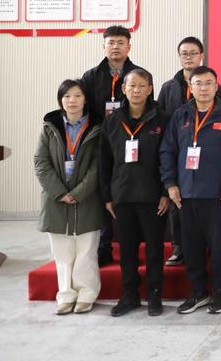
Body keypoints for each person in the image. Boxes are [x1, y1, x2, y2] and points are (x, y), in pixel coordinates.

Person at [159, 66, 221, 315]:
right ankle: (197, 292)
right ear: (191, 87)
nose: (204, 88)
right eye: (198, 83)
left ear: (216, 87)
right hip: (185, 193)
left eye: (208, 83)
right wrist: (170, 184)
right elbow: (167, 150)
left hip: (218, 195)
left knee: (218, 248)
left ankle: (218, 293)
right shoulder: (180, 115)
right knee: (191, 247)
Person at [100, 68, 170, 317]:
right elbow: (104, 161)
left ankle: (154, 294)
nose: (136, 90)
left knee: (154, 249)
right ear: (124, 89)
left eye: (142, 86)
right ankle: (129, 295)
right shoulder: (112, 120)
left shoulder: (162, 118)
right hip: (122, 194)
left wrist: (165, 192)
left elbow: (168, 158)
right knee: (127, 249)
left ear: (150, 89)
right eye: (132, 86)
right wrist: (107, 196)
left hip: (153, 196)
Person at [34, 79, 103, 315]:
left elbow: (99, 165)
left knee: (86, 251)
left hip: (88, 198)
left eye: (77, 96)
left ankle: (86, 293)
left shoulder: (97, 127)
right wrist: (60, 192)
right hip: (56, 199)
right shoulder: (49, 127)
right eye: (66, 96)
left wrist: (79, 192)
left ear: (85, 99)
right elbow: (41, 162)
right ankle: (65, 294)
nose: (71, 101)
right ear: (60, 100)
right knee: (62, 252)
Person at [81, 25, 142, 266]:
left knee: (129, 193)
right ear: (104, 46)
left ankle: (132, 246)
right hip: (100, 143)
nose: (116, 47)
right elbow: (85, 112)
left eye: (120, 42)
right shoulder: (90, 77)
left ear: (129, 46)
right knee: (102, 193)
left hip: (130, 142)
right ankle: (103, 246)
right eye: (111, 42)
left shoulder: (139, 75)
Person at [157, 36, 215, 267]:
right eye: (184, 54)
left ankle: (205, 246)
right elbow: (160, 119)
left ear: (202, 55)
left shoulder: (210, 84)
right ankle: (178, 247)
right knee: (177, 201)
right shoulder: (168, 88)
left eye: (193, 53)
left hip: (206, 152)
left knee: (203, 206)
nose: (189, 57)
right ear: (179, 57)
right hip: (178, 151)